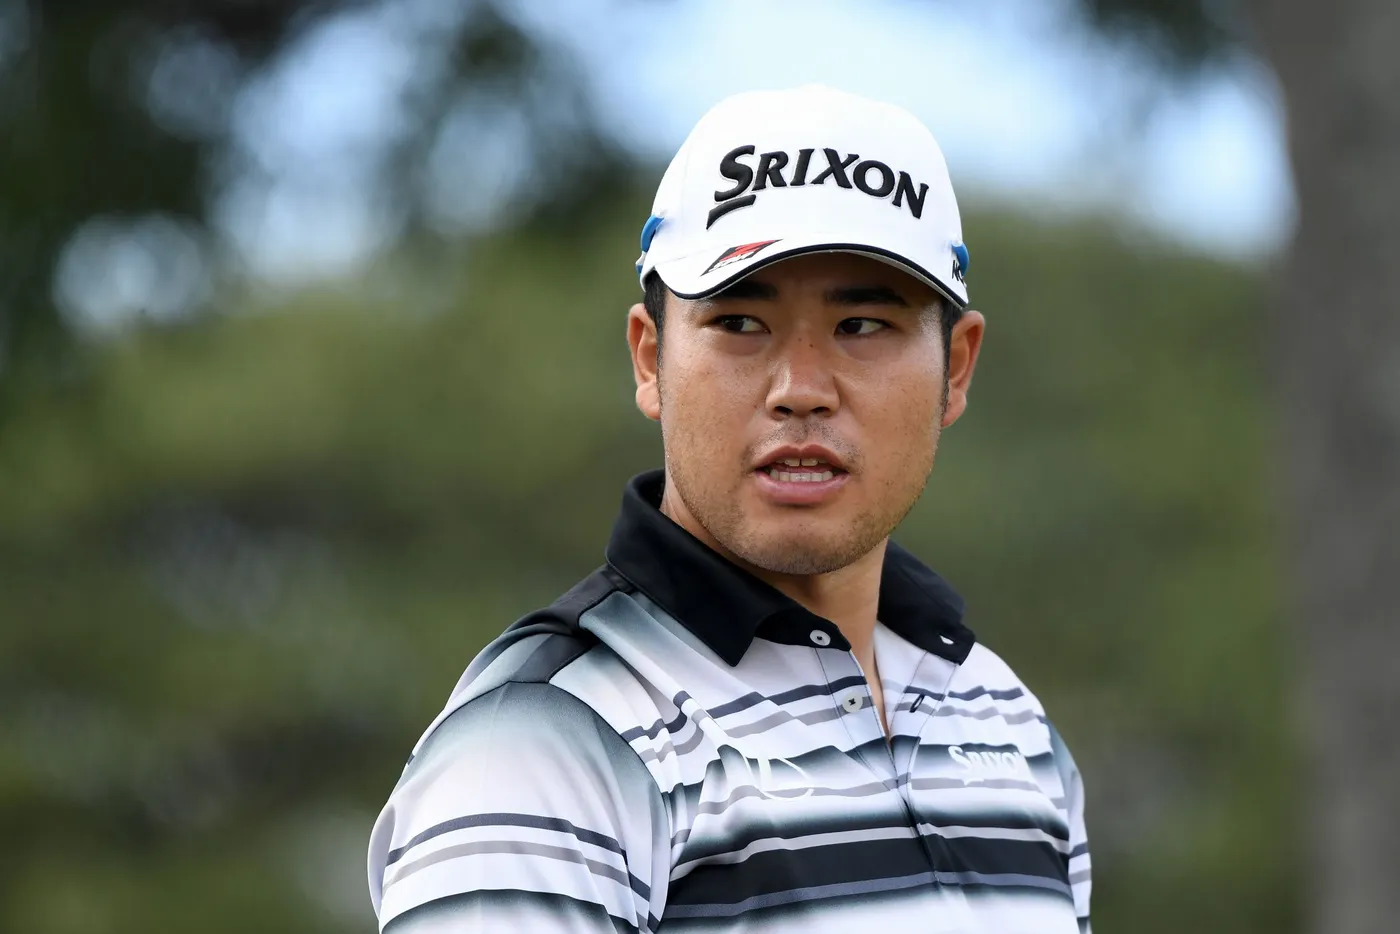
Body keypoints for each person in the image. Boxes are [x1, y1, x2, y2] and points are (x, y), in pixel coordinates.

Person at [366, 84, 1091, 934]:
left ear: (956, 369)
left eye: (862, 325)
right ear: (650, 359)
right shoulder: (543, 747)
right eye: (741, 322)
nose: (802, 389)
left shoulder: (1008, 722)